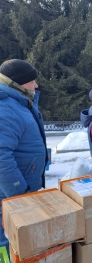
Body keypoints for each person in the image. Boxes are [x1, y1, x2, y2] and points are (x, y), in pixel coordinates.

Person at [0, 59, 48, 255]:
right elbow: (1, 157)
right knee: (8, 243)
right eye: (32, 81)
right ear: (18, 82)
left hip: (22, 193)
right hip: (11, 197)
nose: (36, 85)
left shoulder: (20, 103)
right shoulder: (6, 108)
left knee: (19, 244)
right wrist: (19, 193)